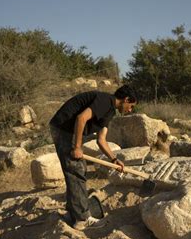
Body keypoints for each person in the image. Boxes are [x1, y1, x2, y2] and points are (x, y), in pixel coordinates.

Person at [49, 85, 137, 230]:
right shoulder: (105, 101)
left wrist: (114, 159)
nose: (130, 110)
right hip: (64, 129)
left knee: (77, 171)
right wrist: (77, 147)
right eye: (131, 106)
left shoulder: (109, 112)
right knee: (76, 172)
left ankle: (73, 213)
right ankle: (81, 219)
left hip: (66, 130)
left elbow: (101, 140)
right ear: (126, 99)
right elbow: (81, 118)